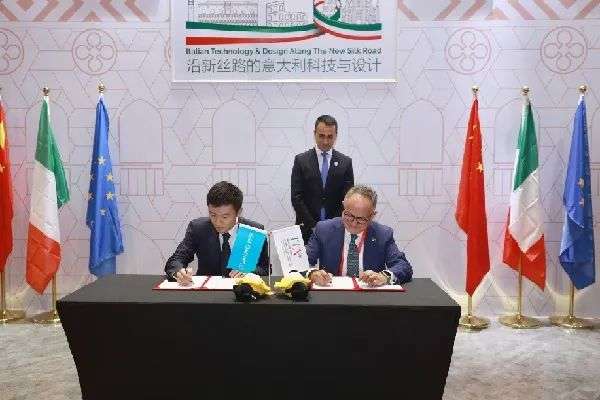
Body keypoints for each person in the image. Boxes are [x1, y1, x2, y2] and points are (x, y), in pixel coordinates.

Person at [164, 181, 269, 285]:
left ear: (238, 212)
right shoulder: (198, 228)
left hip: (241, 291)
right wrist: (179, 273)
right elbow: (176, 260)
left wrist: (249, 272)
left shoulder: (253, 231)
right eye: (213, 215)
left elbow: (265, 269)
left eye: (225, 217)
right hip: (207, 292)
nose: (218, 222)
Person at [305, 185, 412, 286]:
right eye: (349, 215)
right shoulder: (323, 230)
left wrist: (384, 277)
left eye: (361, 219)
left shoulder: (383, 234)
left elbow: (403, 266)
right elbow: (301, 262)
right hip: (332, 291)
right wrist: (312, 273)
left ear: (372, 215)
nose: (353, 223)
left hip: (369, 292)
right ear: (343, 206)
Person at [291, 115, 354, 243]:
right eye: (321, 136)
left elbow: (348, 199)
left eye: (330, 136)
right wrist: (313, 226)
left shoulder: (345, 162)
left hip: (336, 230)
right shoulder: (301, 160)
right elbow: (296, 197)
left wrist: (332, 225)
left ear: (336, 136)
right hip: (307, 230)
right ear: (314, 134)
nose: (325, 141)